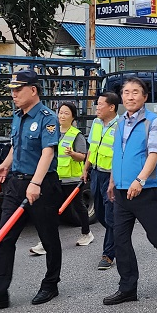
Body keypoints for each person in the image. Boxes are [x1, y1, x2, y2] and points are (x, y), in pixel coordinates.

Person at [0, 70, 62, 310]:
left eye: (17, 89)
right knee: (4, 236)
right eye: (11, 90)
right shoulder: (17, 117)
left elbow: (48, 152)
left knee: (48, 237)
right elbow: (16, 145)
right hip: (15, 184)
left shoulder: (47, 117)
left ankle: (50, 284)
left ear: (33, 90)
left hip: (41, 184)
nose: (13, 94)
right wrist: (5, 164)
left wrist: (36, 183)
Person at [103, 77, 157, 305]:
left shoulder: (154, 122)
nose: (130, 96)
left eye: (135, 92)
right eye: (126, 92)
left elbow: (155, 153)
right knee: (121, 241)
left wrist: (139, 180)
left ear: (145, 97)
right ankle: (128, 288)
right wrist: (112, 180)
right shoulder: (120, 122)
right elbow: (118, 155)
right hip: (121, 193)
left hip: (146, 191)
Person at [29, 101, 92, 256]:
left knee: (78, 207)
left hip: (71, 179)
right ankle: (45, 242)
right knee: (50, 210)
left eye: (66, 113)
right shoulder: (51, 131)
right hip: (54, 179)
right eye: (60, 112)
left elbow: (82, 157)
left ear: (73, 117)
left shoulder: (76, 135)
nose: (62, 116)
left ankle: (86, 233)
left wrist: (72, 154)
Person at [82, 92, 119, 271]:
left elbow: (120, 154)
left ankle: (109, 254)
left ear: (111, 107)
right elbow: (92, 147)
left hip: (112, 176)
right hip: (96, 173)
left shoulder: (120, 125)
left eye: (100, 104)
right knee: (102, 213)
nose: (97, 108)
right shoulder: (96, 123)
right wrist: (85, 167)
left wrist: (114, 178)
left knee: (110, 213)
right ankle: (119, 235)